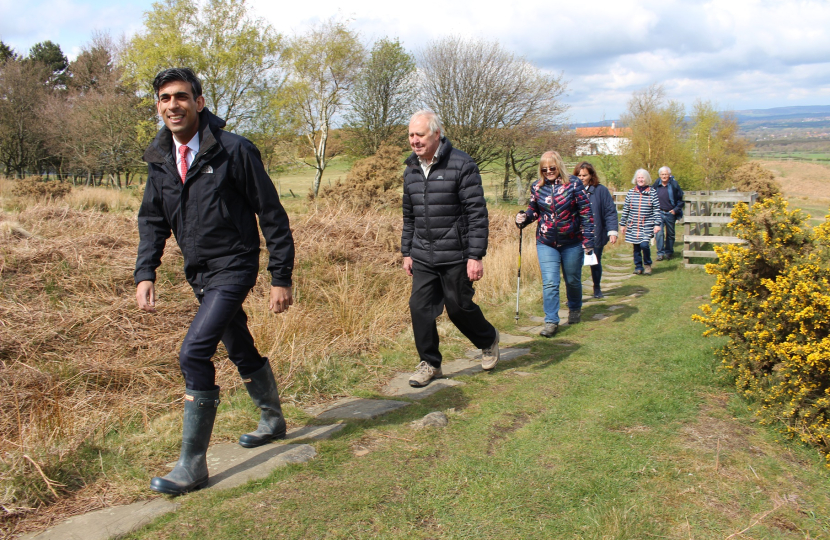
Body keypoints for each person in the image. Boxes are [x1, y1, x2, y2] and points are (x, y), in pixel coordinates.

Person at [134, 68, 295, 495]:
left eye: (182, 96)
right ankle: (273, 418)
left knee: (193, 354)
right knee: (237, 343)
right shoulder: (160, 158)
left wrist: (281, 276)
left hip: (235, 265)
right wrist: (145, 271)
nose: (173, 105)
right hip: (198, 273)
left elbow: (272, 214)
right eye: (165, 98)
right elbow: (152, 219)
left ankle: (192, 465)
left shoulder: (233, 151)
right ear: (158, 106)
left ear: (200, 102)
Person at [402, 110, 500, 387]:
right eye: (410, 135)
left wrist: (475, 255)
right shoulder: (410, 169)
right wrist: (406, 252)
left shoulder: (462, 164)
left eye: (419, 135)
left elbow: (476, 214)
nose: (414, 140)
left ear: (436, 134)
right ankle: (430, 363)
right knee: (419, 307)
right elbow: (409, 216)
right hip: (422, 253)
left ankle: (488, 339)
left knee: (458, 308)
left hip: (456, 253)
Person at [515, 151, 594, 338]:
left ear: (559, 166)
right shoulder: (537, 187)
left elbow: (585, 212)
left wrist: (588, 239)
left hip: (572, 241)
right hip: (546, 242)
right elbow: (534, 210)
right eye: (544, 168)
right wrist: (523, 218)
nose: (549, 171)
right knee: (550, 282)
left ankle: (574, 308)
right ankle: (551, 321)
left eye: (552, 168)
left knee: (573, 279)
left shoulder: (574, 184)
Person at [575, 161, 618, 298]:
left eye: (584, 175)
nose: (581, 178)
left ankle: (597, 287)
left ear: (591, 175)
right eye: (579, 175)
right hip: (576, 234)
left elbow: (610, 212)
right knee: (574, 265)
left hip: (595, 233)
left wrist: (612, 231)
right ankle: (575, 294)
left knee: (595, 261)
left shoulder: (601, 191)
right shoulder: (572, 190)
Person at [619, 169, 661, 275]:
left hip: (647, 224)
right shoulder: (631, 192)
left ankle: (647, 265)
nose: (640, 180)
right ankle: (638, 266)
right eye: (639, 178)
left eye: (642, 178)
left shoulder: (652, 192)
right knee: (636, 246)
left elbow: (656, 209)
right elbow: (626, 209)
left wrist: (657, 224)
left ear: (646, 179)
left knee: (644, 245)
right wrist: (622, 224)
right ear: (636, 179)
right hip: (634, 224)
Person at [652, 166, 684, 260]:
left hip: (670, 213)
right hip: (659, 212)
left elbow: (681, 199)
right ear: (659, 175)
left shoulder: (674, 185)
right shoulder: (656, 184)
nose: (664, 176)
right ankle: (660, 253)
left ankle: (669, 252)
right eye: (662, 174)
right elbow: (651, 196)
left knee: (670, 234)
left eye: (666, 174)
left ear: (669, 175)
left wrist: (675, 210)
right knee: (659, 233)